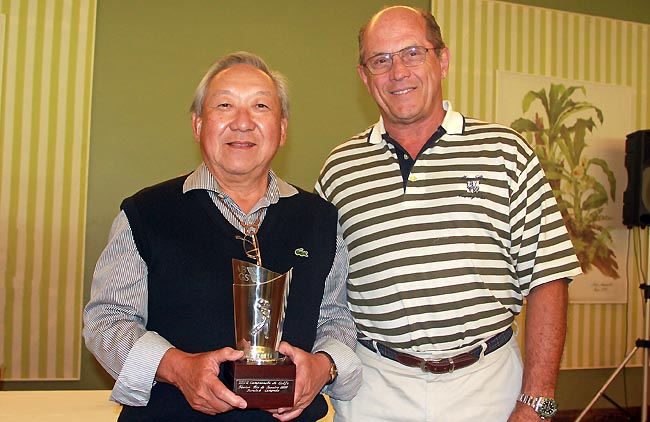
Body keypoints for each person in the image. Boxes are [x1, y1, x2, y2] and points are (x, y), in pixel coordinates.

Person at [315, 6, 582, 422]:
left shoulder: (505, 152)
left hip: (488, 384)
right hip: (375, 390)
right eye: (380, 60)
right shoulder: (339, 168)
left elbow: (548, 277)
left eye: (412, 53)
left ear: (442, 60)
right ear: (365, 77)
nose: (397, 71)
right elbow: (326, 293)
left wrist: (537, 402)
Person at [83, 51, 361, 422]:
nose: (242, 123)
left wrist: (324, 366)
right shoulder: (146, 213)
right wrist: (176, 367)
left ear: (281, 129)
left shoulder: (321, 220)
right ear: (199, 124)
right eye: (225, 105)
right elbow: (107, 320)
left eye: (260, 106)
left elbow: (336, 319)